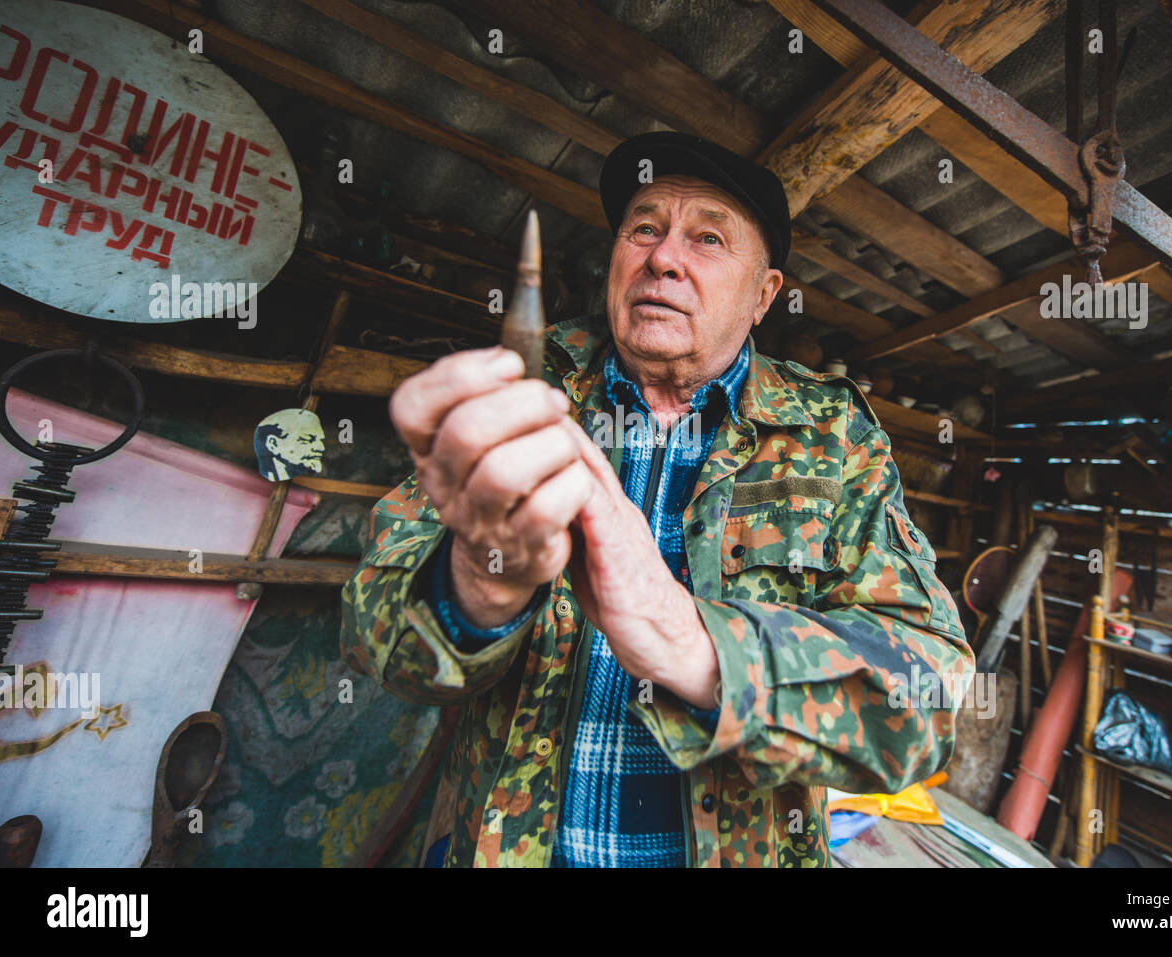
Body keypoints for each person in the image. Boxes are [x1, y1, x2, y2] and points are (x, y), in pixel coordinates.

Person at [340, 132, 973, 867]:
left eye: (707, 237)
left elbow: (927, 696)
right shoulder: (525, 391)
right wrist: (481, 585)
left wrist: (694, 643)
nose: (664, 257)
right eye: (644, 227)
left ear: (765, 294)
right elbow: (370, 636)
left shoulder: (833, 435)